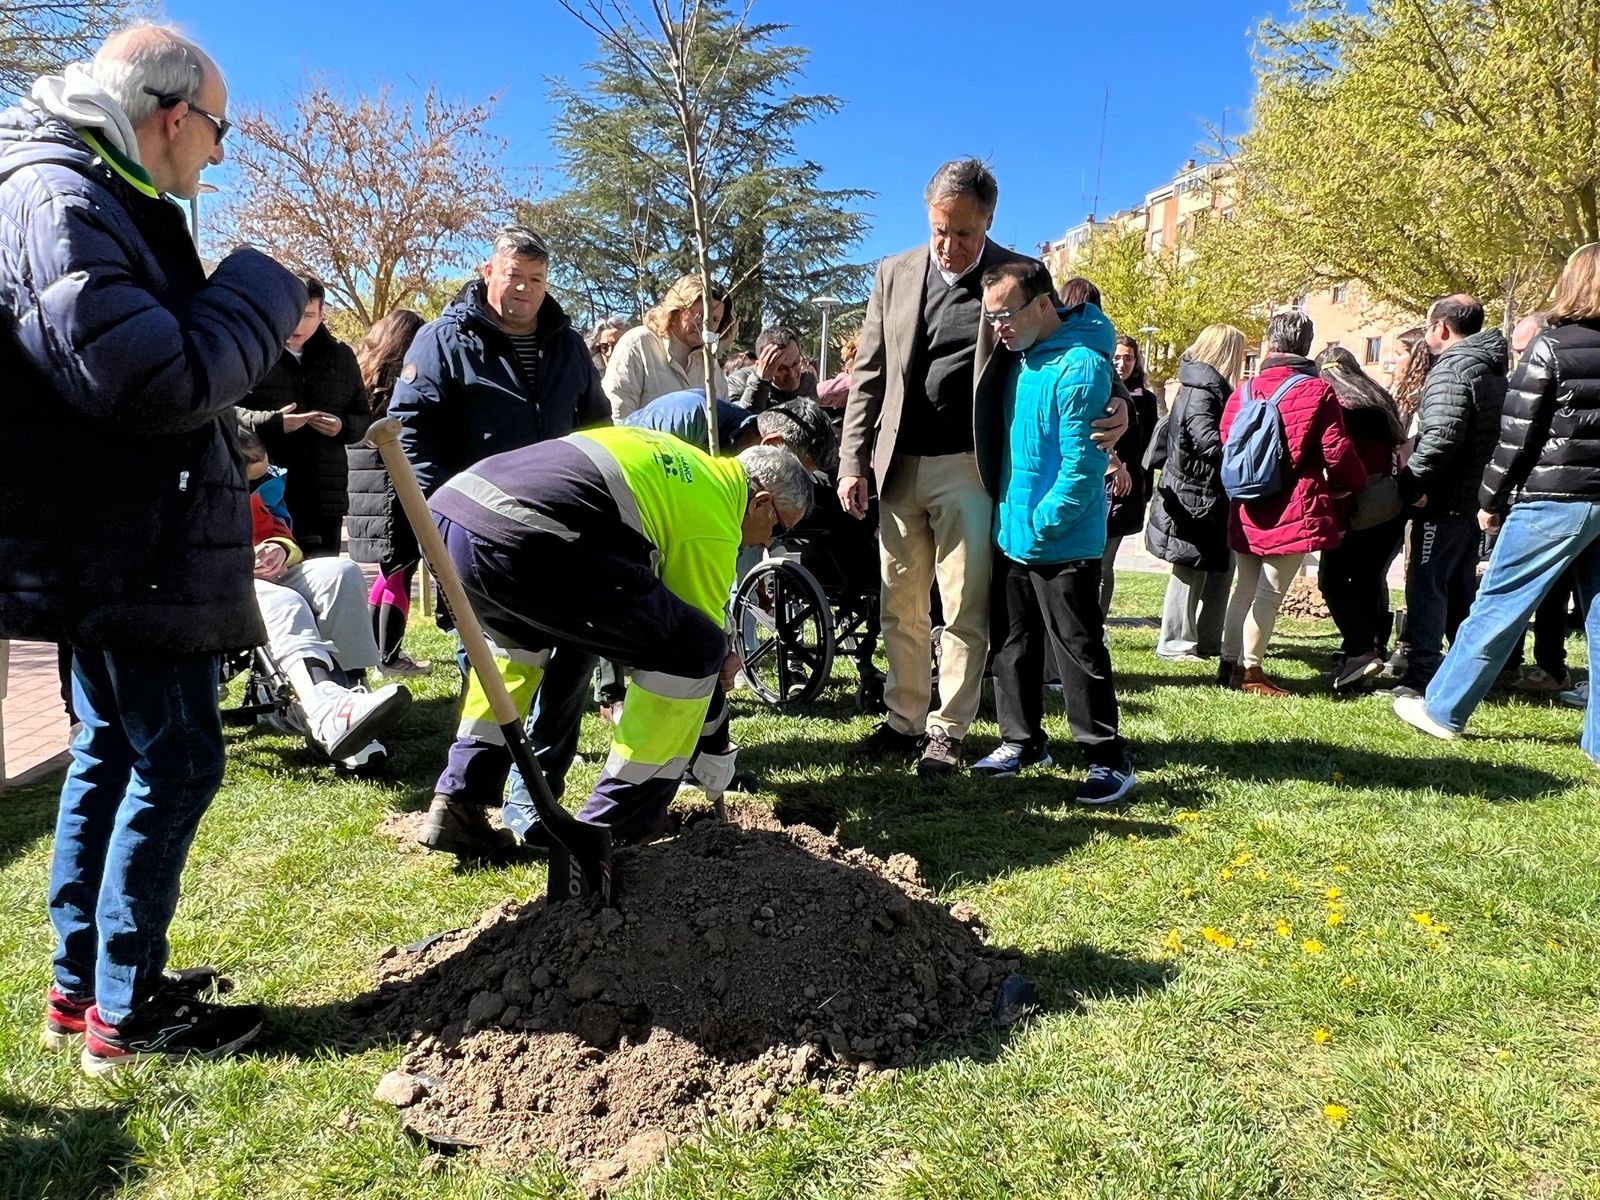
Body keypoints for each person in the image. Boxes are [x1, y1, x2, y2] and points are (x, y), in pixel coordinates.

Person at [0, 23, 306, 1072]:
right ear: (173, 116)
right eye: (217, 131)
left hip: (109, 541)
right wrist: (265, 291)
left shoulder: (83, 189)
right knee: (174, 761)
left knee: (111, 752)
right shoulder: (61, 198)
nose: (218, 155)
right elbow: (152, 379)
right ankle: (126, 1015)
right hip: (123, 548)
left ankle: (83, 990)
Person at [837, 157, 1127, 776]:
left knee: (963, 605)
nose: (949, 245)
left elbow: (1075, 340)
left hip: (969, 465)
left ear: (989, 220)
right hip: (895, 466)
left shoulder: (1013, 277)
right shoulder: (893, 272)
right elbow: (868, 375)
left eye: (964, 232)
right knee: (899, 603)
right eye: (940, 229)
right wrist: (851, 461)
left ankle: (949, 729)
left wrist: (1119, 402)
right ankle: (903, 719)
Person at [417, 427, 813, 854]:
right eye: (779, 529)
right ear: (762, 502)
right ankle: (612, 828)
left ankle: (459, 803)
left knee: (514, 654)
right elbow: (700, 655)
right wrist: (716, 746)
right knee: (691, 650)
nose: (769, 543)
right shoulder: (716, 517)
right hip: (523, 536)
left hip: (450, 518)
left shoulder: (686, 463)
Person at [389, 225, 610, 825]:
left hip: (563, 530)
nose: (524, 290)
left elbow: (596, 423)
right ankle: (473, 802)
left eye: (536, 280)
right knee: (492, 666)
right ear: (489, 272)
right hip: (479, 531)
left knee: (571, 662)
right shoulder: (443, 342)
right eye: (514, 276)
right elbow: (411, 432)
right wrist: (442, 512)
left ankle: (534, 804)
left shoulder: (567, 346)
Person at [1393, 243, 1600, 753]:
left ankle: (1443, 707)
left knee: (1500, 602)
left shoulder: (1551, 347)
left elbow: (1518, 434)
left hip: (1554, 497)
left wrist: (1490, 498)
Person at [968, 259, 1134, 801]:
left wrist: (1045, 522)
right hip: (1011, 532)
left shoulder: (1082, 365)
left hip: (1063, 540)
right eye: (992, 318)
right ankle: (1021, 740)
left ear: (1043, 304)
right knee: (1013, 644)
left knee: (1077, 648)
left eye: (1006, 315)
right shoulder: (1017, 359)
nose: (999, 328)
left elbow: (1081, 467)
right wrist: (1015, 525)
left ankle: (1105, 755)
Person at [1218, 311, 1366, 696]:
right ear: (1306, 346)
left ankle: (1228, 664)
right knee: (1269, 593)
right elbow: (1335, 450)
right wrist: (1354, 484)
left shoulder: (1242, 392)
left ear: (1270, 344)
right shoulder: (1317, 390)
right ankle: (1251, 673)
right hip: (1293, 503)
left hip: (1246, 501)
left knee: (1244, 589)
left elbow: (1226, 441)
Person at [242, 433, 412, 765]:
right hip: (217, 584)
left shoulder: (262, 486)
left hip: (267, 571)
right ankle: (324, 711)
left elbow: (278, 529)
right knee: (286, 604)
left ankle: (350, 693)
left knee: (342, 573)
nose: (257, 485)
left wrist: (280, 548)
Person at [1392, 293, 1509, 697]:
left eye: (1427, 327)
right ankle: (1467, 677)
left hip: (1443, 500)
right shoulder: (1492, 369)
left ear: (1441, 328)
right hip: (1474, 498)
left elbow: (1440, 438)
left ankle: (1421, 674)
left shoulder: (1452, 369)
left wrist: (1409, 485)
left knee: (1427, 584)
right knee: (1461, 591)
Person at [235, 275, 370, 557]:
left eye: (308, 315)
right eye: (293, 313)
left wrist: (343, 427)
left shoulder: (341, 356)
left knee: (324, 579)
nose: (299, 324)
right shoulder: (253, 353)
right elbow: (226, 412)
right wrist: (271, 422)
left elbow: (362, 416)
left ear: (322, 314)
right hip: (266, 494)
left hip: (324, 496)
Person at [1147, 324, 1246, 668]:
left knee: (1218, 569)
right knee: (1188, 568)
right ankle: (1175, 642)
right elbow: (1206, 441)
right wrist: (1243, 449)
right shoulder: (1202, 390)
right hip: (1195, 494)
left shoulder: (1206, 387)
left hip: (1207, 494)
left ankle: (1206, 641)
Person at [344, 308, 431, 676]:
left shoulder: (359, 377)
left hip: (363, 491)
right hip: (391, 488)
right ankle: (390, 658)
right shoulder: (403, 383)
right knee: (399, 570)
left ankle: (377, 651)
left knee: (386, 572)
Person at [1313, 347, 1406, 689]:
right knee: (1370, 580)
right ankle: (1373, 649)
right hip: (1390, 504)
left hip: (1353, 504)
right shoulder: (1379, 401)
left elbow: (1341, 460)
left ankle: (1359, 652)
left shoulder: (1340, 409)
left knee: (1333, 580)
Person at [1498, 311, 1578, 694]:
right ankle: (1538, 666)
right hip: (1563, 490)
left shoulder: (1550, 357)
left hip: (1545, 492)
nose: (1519, 357)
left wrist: (1491, 497)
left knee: (1510, 590)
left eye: (1523, 348)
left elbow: (1517, 437)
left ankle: (1450, 703)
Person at [1378, 325, 1435, 681]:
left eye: (1400, 352)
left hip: (1417, 498)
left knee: (1419, 574)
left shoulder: (1427, 394)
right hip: (1396, 495)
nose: (1393, 359)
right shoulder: (1401, 396)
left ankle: (1414, 651)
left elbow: (1420, 447)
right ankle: (1388, 643)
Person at [603, 273, 732, 421]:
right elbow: (618, 415)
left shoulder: (712, 369)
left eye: (715, 319)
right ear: (677, 309)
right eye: (700, 315)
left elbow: (724, 426)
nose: (706, 325)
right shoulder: (638, 345)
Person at [622, 388, 837, 471]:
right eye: (794, 472)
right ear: (771, 443)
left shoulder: (746, 452)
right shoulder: (692, 418)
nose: (794, 486)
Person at [1102, 334, 1159, 614]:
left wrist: (1139, 481)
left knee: (1105, 560)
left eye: (1128, 357)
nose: (1122, 363)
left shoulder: (1146, 400)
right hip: (1098, 478)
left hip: (1127, 486)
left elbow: (1149, 447)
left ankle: (1098, 620)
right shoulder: (1099, 390)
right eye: (1117, 357)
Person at [726, 324, 805, 412]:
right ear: (761, 365)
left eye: (796, 363)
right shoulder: (738, 381)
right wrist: (761, 381)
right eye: (781, 368)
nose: (792, 374)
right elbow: (742, 421)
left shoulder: (809, 381)